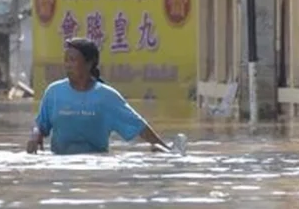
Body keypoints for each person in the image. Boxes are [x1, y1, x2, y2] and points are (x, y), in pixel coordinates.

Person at [25, 37, 187, 156]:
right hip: (59, 163)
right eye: (66, 60)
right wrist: (35, 135)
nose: (67, 65)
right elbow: (41, 124)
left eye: (73, 60)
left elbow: (138, 126)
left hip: (96, 164)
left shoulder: (106, 97)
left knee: (157, 152)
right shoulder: (54, 92)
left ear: (89, 63)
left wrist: (164, 148)